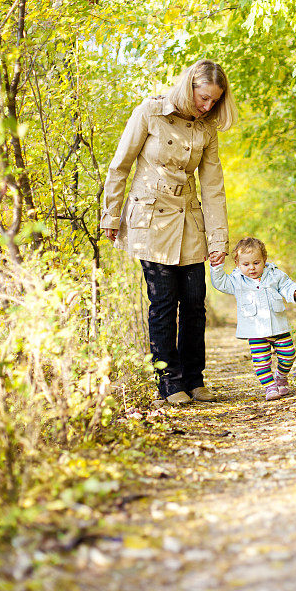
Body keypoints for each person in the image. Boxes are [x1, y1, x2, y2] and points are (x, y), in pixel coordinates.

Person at [101, 59, 237, 405]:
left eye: (214, 101)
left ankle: (195, 379)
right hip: (150, 221)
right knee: (163, 303)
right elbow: (121, 165)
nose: (207, 106)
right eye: (204, 98)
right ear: (189, 85)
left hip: (189, 220)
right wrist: (111, 216)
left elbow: (213, 187)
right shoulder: (150, 112)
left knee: (194, 303)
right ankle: (169, 384)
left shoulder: (206, 130)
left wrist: (218, 238)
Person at [210, 236, 296, 401]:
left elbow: (287, 285)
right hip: (255, 330)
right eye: (246, 264)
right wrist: (216, 267)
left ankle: (281, 377)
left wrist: (295, 292)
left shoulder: (274, 274)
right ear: (238, 264)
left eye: (256, 262)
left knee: (288, 354)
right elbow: (220, 283)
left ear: (264, 260)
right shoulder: (237, 280)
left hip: (278, 326)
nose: (252, 268)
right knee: (261, 362)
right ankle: (270, 387)